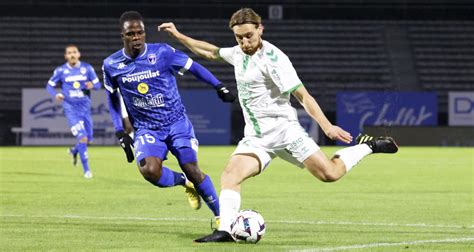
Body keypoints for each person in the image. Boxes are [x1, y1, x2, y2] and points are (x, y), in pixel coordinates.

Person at [158, 8, 398, 242]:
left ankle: (369, 146)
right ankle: (227, 229)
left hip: (285, 132)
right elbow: (211, 52)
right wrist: (179, 36)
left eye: (249, 36)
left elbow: (304, 96)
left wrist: (327, 127)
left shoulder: (275, 59)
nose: (244, 42)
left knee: (330, 174)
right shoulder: (239, 53)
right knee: (230, 175)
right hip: (256, 138)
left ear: (260, 29)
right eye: (239, 37)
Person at [103, 11, 236, 220]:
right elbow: (111, 98)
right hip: (146, 128)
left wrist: (218, 86)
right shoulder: (111, 65)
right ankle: (184, 182)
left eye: (140, 33)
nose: (136, 37)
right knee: (150, 171)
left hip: (176, 123)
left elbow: (194, 67)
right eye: (131, 34)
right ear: (123, 36)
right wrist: (119, 130)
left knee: (193, 168)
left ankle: (223, 219)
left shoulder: (163, 53)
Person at [46, 44, 101, 179]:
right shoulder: (61, 71)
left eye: (74, 52)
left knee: (88, 139)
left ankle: (74, 151)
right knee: (82, 137)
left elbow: (98, 85)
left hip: (85, 108)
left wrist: (92, 86)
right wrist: (56, 95)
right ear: (65, 56)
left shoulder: (87, 68)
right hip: (71, 109)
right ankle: (87, 170)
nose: (72, 55)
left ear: (78, 54)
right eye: (69, 53)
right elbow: (49, 86)